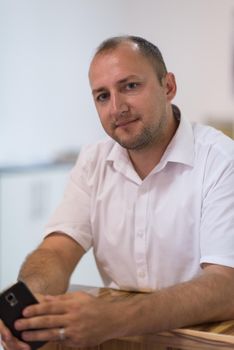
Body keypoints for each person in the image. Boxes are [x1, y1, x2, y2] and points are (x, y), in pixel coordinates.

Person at [1, 35, 234, 350]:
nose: (117, 108)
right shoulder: (94, 160)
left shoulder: (221, 160)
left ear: (168, 87)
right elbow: (57, 251)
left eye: (130, 86)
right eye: (102, 95)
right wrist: (29, 306)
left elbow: (226, 286)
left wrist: (116, 317)